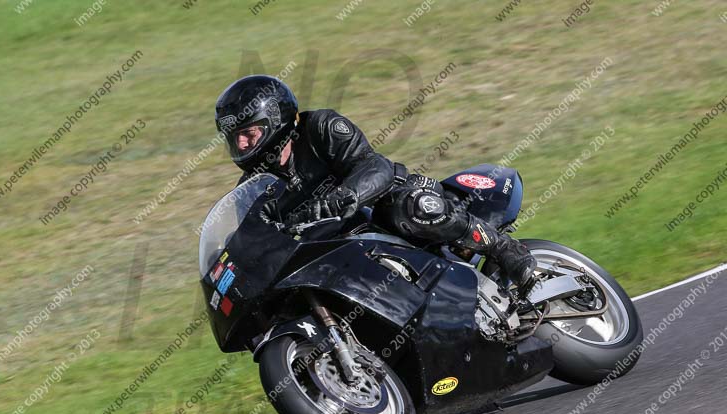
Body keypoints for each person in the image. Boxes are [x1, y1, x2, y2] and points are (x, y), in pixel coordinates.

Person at [214, 75, 536, 291]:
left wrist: (346, 195)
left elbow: (374, 165)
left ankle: (504, 248)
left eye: (248, 133)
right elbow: (248, 240)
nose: (241, 145)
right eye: (234, 137)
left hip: (385, 205)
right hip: (344, 248)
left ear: (273, 121)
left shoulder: (320, 128)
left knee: (409, 208)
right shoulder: (256, 188)